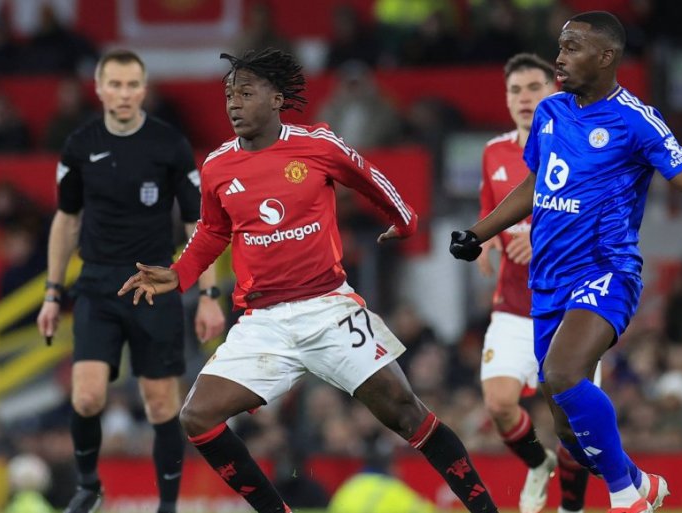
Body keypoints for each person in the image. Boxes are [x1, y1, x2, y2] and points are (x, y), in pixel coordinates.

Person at [119, 48, 499, 513]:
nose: (234, 103)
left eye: (245, 93)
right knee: (197, 416)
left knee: (406, 412)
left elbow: (371, 179)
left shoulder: (318, 145)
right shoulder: (217, 166)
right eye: (228, 95)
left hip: (328, 308)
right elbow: (213, 231)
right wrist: (179, 275)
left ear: (277, 99)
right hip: (262, 321)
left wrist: (403, 223)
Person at [449, 11, 682, 513]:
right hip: (547, 282)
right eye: (560, 47)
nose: (559, 58)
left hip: (605, 271)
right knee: (566, 427)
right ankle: (639, 482)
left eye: (572, 48)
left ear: (605, 57)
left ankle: (625, 498)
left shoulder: (635, 120)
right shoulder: (551, 111)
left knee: (562, 374)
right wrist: (479, 233)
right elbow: (535, 183)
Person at [36, 49, 226, 513]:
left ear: (144, 90)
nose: (123, 94)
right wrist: (52, 293)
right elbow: (66, 220)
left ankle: (167, 505)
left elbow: (199, 224)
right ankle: (88, 485)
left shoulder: (169, 144)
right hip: (97, 284)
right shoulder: (80, 145)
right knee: (87, 397)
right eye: (115, 85)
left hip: (154, 282)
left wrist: (209, 295)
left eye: (132, 85)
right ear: (99, 89)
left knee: (161, 404)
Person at [476, 53, 591, 513]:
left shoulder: (583, 146)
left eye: (534, 88)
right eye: (515, 90)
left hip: (574, 307)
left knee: (575, 423)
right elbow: (491, 207)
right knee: (499, 403)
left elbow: (597, 219)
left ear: (554, 91)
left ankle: (571, 508)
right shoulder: (493, 152)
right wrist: (486, 238)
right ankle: (538, 464)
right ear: (506, 99)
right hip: (513, 306)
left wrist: (539, 239)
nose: (524, 98)